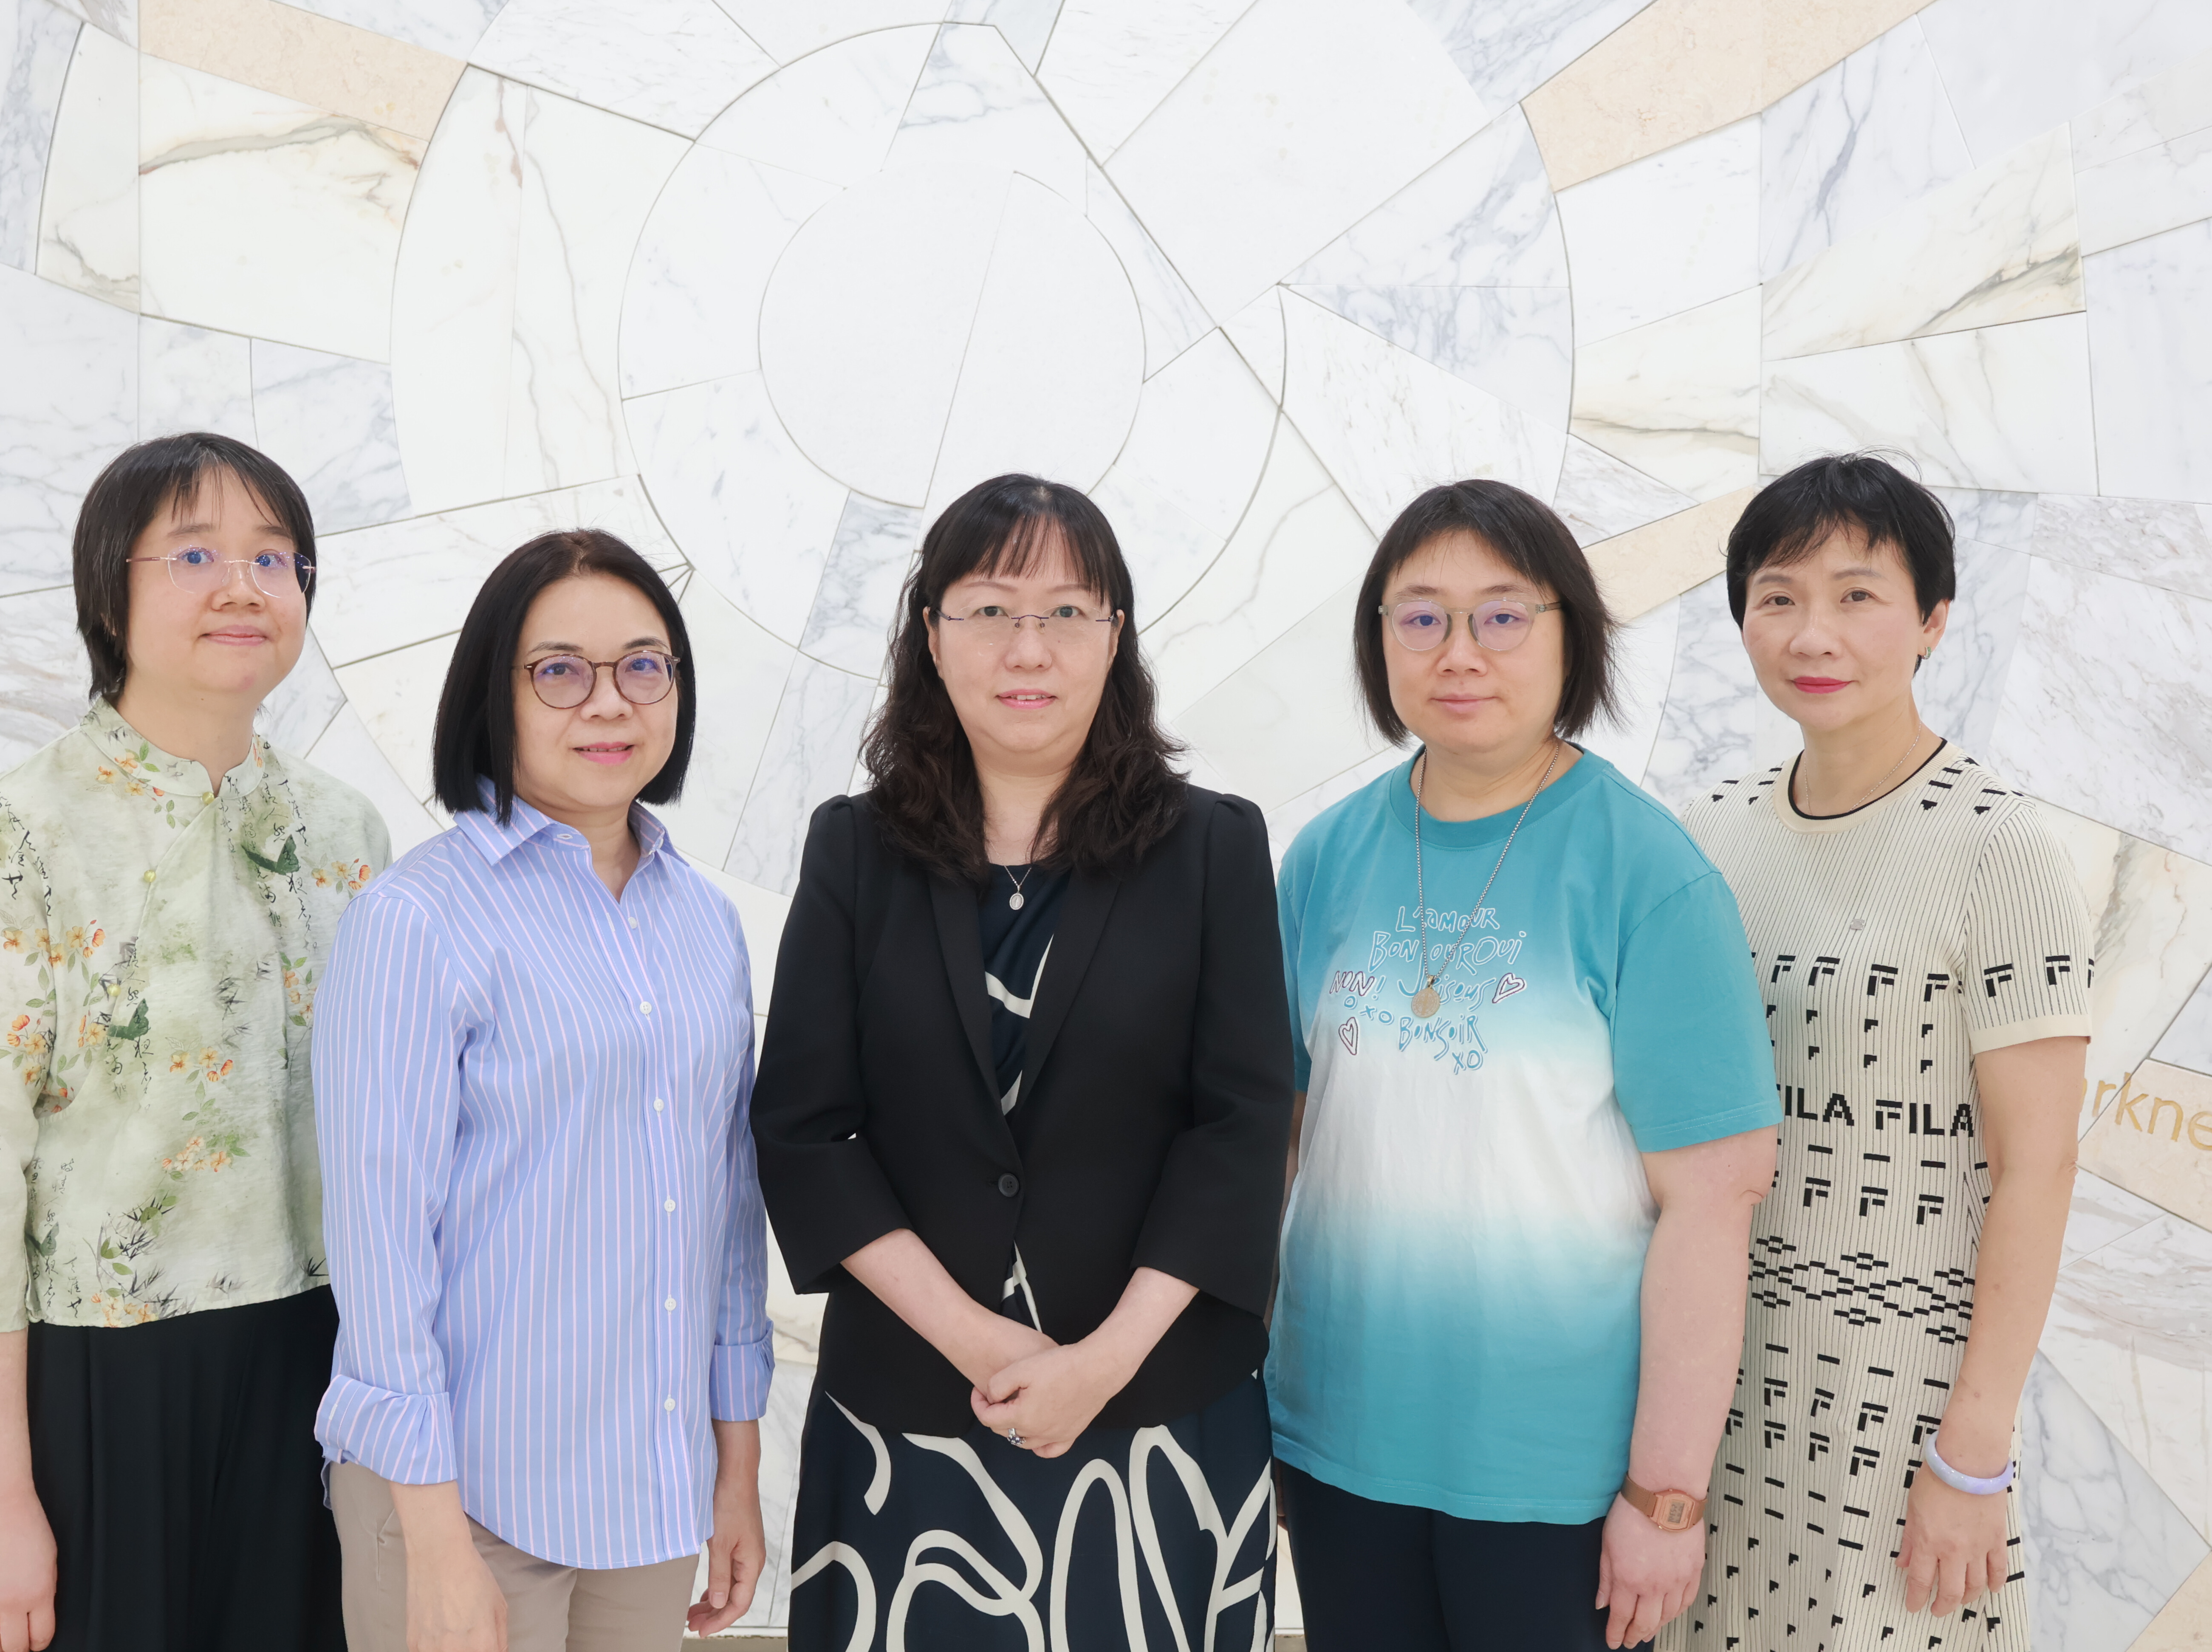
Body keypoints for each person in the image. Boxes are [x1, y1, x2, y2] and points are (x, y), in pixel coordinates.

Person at [751, 474, 1295, 1652]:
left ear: (1116, 634)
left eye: (1066, 611)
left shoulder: (1213, 847)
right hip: (908, 1418)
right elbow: (805, 1127)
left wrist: (1101, 1363)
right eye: (991, 610)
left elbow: (1245, 1125)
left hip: (1158, 1412)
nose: (1028, 647)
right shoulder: (855, 850)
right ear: (932, 634)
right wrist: (984, 1343)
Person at [0, 432, 390, 1652]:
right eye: (194, 554)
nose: (243, 587)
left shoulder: (343, 833)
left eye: (274, 557)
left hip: (315, 1370)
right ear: (110, 593)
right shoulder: (24, 835)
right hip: (88, 1383)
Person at [1269, 479, 1782, 1652]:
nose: (1459, 651)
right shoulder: (1325, 857)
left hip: (1559, 1474)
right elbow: (1279, 1147)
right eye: (1421, 616)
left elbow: (1713, 1200)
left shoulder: (1649, 873)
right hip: (1339, 1441)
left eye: (1503, 615)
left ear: (1571, 637)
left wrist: (1666, 1494)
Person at [312, 530, 770, 1652]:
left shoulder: (705, 922)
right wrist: (434, 1541)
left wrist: (737, 1468)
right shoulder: (414, 919)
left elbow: (728, 1211)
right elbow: (381, 1246)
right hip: (466, 1499)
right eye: (560, 670)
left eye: (644, 666)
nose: (609, 702)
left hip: (651, 1493)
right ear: (496, 693)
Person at [1667, 456, 2089, 1651]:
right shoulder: (1707, 832)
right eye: (1780, 595)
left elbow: (2040, 1168)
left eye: (1859, 595)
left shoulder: (2000, 846)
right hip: (1718, 1383)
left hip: (1902, 1403)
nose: (1815, 632)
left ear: (1934, 619)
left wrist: (1974, 1451)